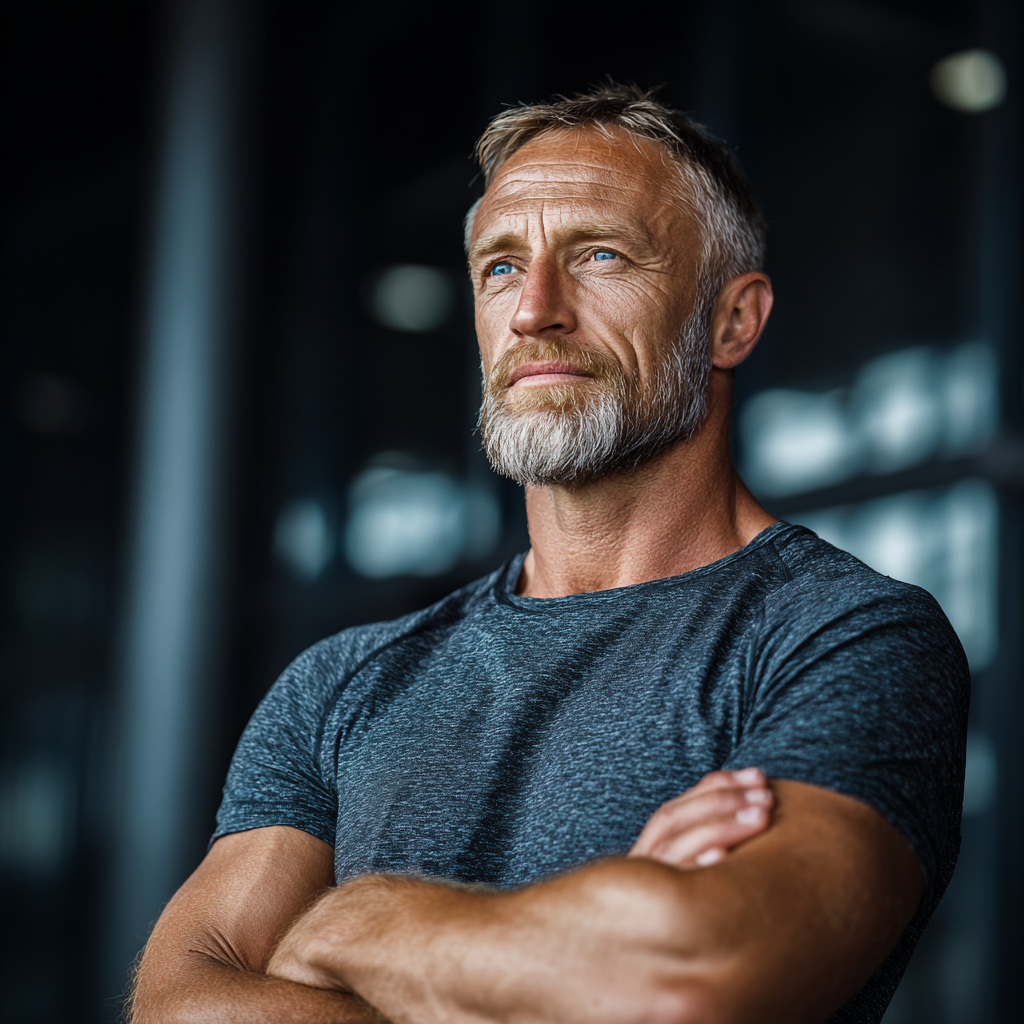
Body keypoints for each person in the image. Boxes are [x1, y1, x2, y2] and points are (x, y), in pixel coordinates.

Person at [129, 83, 968, 1024]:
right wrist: (583, 945)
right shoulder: (342, 684)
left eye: (601, 255)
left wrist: (343, 927)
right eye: (498, 267)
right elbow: (179, 1005)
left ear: (733, 321)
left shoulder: (845, 638)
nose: (535, 311)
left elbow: (684, 978)